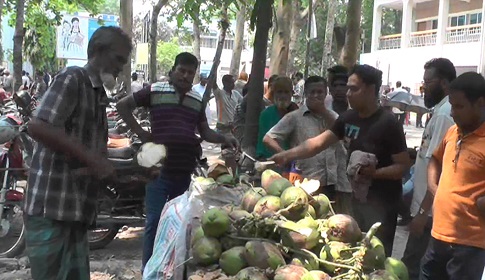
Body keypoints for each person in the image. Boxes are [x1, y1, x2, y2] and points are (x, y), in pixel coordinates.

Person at [23, 26, 131, 280]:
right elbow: (38, 126)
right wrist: (93, 159)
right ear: (98, 51)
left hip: (74, 212)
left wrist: (123, 178)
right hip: (51, 210)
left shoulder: (97, 95)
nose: (120, 67)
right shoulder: (73, 78)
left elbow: (86, 159)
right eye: (118, 59)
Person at [270, 65, 409, 256]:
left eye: (354, 88)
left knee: (376, 257)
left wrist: (375, 173)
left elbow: (402, 166)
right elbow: (318, 143)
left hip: (383, 206)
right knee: (353, 252)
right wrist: (287, 154)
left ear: (370, 90)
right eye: (348, 88)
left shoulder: (388, 122)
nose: (348, 93)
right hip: (357, 201)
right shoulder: (348, 118)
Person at [116, 52, 238, 269]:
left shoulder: (197, 99)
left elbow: (206, 132)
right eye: (182, 70)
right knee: (154, 222)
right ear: (173, 70)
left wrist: (224, 139)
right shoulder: (155, 90)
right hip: (158, 171)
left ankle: (170, 270)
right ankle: (148, 271)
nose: (185, 75)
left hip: (184, 171)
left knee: (179, 225)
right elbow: (123, 106)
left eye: (190, 72)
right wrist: (142, 133)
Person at [420, 72, 485, 279]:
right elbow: (435, 159)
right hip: (438, 234)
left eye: (459, 107)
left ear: (480, 103)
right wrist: (432, 187)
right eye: (451, 105)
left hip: (470, 244)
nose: (453, 113)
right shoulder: (453, 132)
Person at [401, 58, 456, 279]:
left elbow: (440, 168)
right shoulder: (441, 110)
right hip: (428, 208)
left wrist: (423, 213)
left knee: (411, 268)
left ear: (443, 83)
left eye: (427, 82)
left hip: (431, 212)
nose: (423, 88)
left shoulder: (445, 114)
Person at [263, 76, 352, 212]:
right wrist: (285, 156)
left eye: (320, 92)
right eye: (312, 92)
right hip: (306, 182)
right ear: (305, 94)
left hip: (334, 181)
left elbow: (345, 137)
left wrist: (323, 111)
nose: (316, 95)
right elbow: (268, 138)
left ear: (326, 93)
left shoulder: (333, 116)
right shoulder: (295, 117)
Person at [256, 76, 298, 160]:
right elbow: (264, 142)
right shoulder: (266, 114)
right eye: (279, 92)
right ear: (274, 93)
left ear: (291, 93)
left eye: (286, 92)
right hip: (270, 160)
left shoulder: (297, 112)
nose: (283, 96)